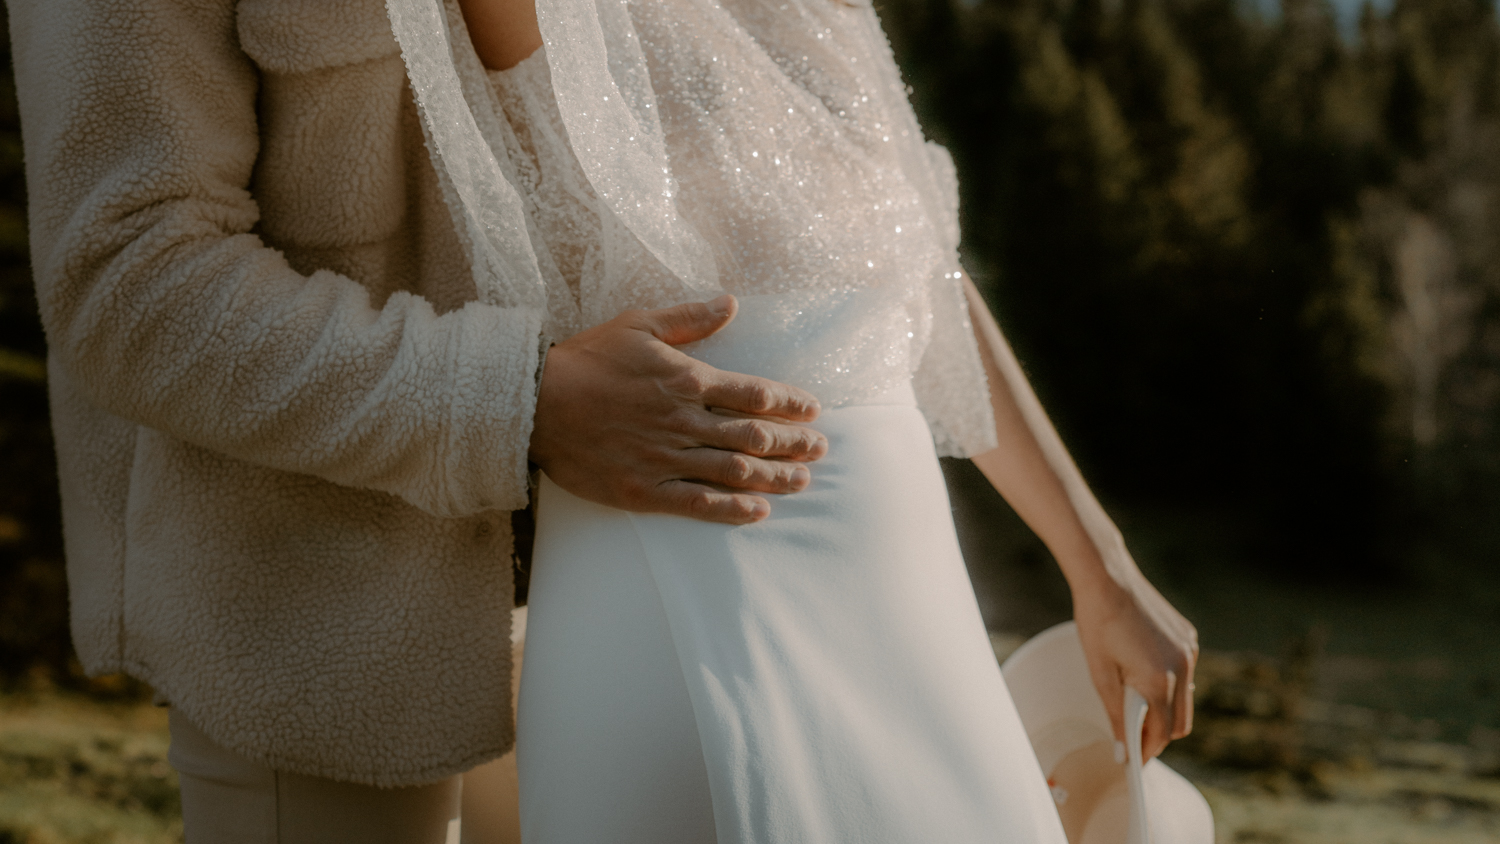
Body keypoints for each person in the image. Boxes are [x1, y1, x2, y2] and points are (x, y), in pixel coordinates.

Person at [9, 0, 1196, 840]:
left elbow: (887, 247)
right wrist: (514, 397)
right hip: (344, 619)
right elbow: (131, 279)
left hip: (737, 586)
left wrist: (1098, 558)